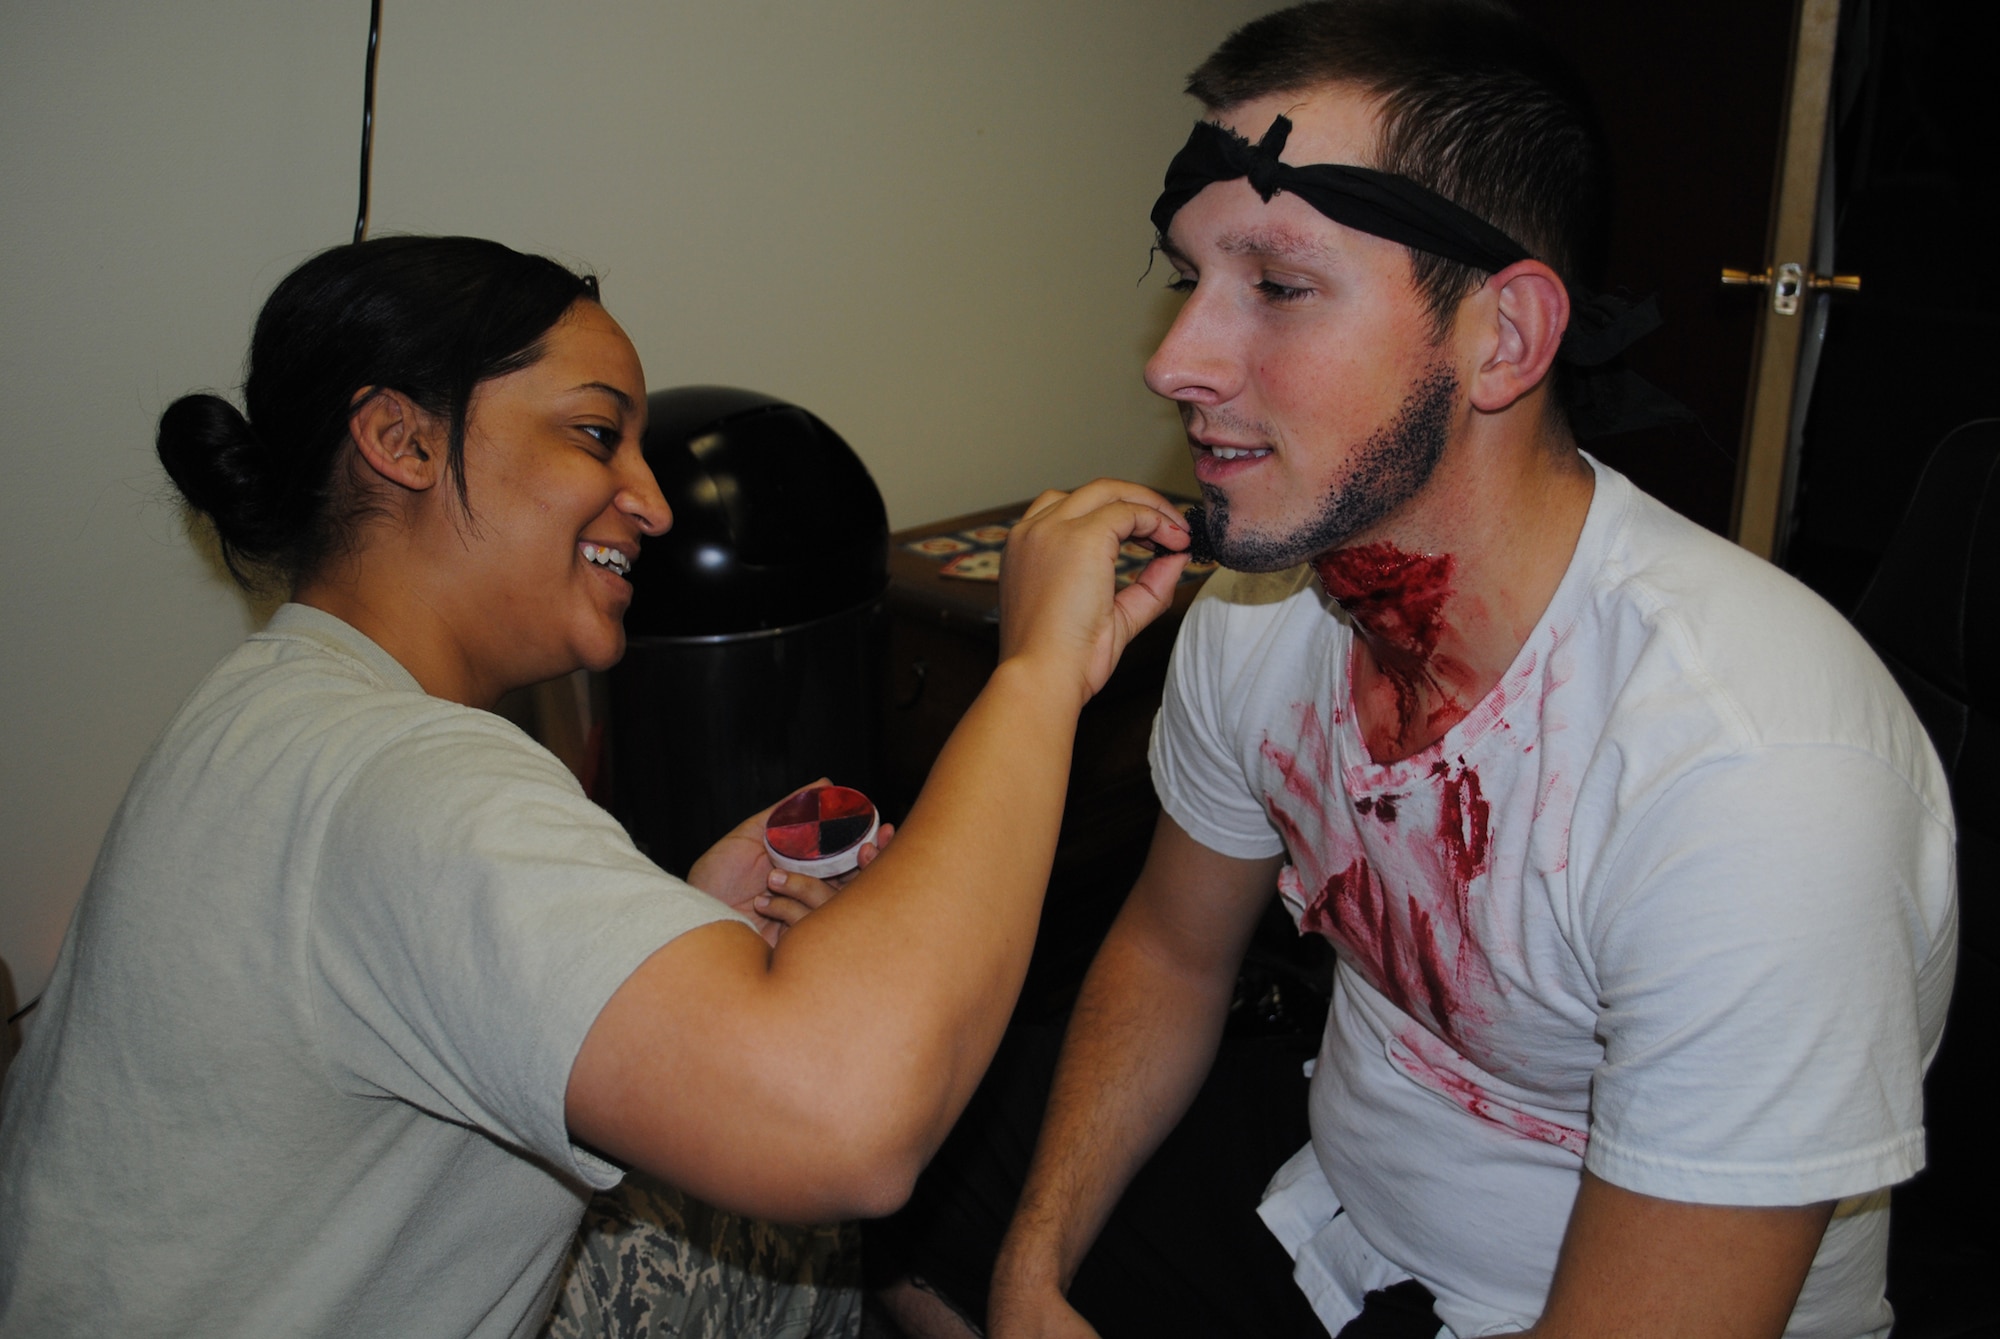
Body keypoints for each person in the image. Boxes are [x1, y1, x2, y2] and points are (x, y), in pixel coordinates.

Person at [882, 4, 1958, 1337]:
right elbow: (1170, 953)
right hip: (1335, 1210)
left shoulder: (1752, 779)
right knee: (901, 1166)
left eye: (1277, 285)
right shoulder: (1271, 600)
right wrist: (1034, 1273)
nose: (1174, 361)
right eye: (1187, 278)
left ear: (1502, 337)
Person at [0, 234, 1196, 1337]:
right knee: (797, 1206)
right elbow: (848, 1118)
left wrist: (676, 913)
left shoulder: (271, 703)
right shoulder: (406, 781)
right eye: (591, 434)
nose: (654, 501)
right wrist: (1037, 672)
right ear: (402, 439)